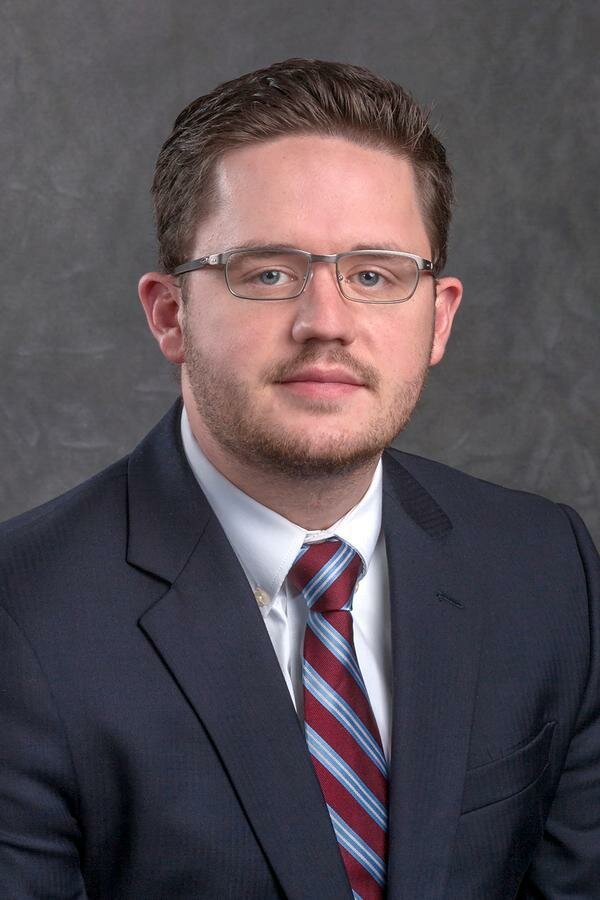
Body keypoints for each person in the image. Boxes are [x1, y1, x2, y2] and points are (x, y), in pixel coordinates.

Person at [0, 58, 598, 900]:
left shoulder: (547, 567)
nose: (327, 323)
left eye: (375, 274)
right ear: (171, 315)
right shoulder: (22, 615)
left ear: (438, 319)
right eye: (268, 273)